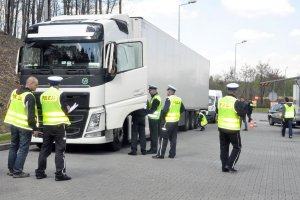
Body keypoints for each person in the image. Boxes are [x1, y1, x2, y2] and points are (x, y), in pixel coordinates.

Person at [35, 76, 72, 181]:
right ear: (59, 84)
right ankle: (60, 174)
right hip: (59, 126)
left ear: (49, 84)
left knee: (44, 149)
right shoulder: (60, 94)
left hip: (47, 126)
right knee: (60, 150)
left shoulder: (43, 95)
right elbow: (65, 110)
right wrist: (69, 109)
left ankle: (40, 172)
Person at [4, 76, 39, 178]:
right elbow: (30, 115)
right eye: (36, 85)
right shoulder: (29, 96)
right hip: (24, 126)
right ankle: (18, 171)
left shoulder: (15, 92)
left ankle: (11, 170)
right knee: (23, 148)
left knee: (13, 146)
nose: (37, 87)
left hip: (13, 123)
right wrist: (34, 128)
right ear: (31, 84)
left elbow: (8, 105)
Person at [218, 83, 246, 172]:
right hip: (233, 130)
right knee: (237, 147)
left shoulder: (221, 100)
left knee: (224, 147)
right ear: (235, 91)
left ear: (227, 90)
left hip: (222, 128)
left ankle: (224, 167)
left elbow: (217, 110)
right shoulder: (236, 102)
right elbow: (242, 113)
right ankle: (229, 165)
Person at [153, 85, 185, 159]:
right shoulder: (179, 99)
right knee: (173, 139)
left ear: (170, 91)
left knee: (163, 138)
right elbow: (183, 109)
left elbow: (164, 110)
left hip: (167, 122)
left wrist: (163, 118)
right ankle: (172, 154)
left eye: (168, 91)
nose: (167, 92)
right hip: (175, 122)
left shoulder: (169, 99)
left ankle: (160, 155)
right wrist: (176, 114)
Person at [146, 85, 162, 154]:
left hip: (154, 119)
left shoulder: (156, 98)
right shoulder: (154, 98)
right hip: (153, 119)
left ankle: (154, 149)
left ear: (154, 90)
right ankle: (152, 148)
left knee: (154, 135)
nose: (149, 92)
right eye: (149, 90)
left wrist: (145, 111)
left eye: (150, 90)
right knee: (152, 135)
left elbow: (152, 110)